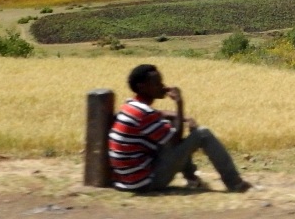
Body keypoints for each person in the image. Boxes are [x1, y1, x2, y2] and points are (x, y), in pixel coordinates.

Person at [108, 63, 252, 194]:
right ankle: (236, 184)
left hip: (128, 180)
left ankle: (192, 180)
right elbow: (175, 138)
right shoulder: (144, 113)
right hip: (145, 182)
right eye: (156, 83)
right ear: (141, 87)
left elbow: (160, 114)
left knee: (170, 128)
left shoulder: (131, 106)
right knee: (202, 134)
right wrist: (179, 103)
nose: (162, 86)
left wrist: (184, 118)